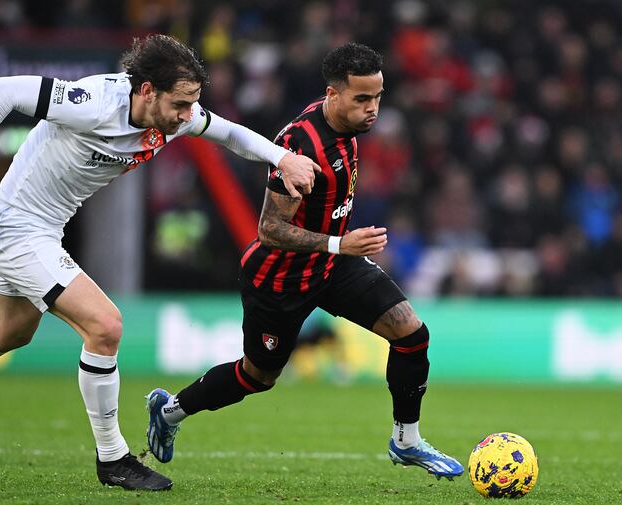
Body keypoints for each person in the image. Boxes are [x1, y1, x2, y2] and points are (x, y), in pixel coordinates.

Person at [0, 34, 320, 491]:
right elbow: (2, 91)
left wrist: (282, 157)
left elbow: (228, 132)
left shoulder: (172, 118)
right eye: (181, 104)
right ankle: (112, 459)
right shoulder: (94, 101)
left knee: (10, 330)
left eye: (193, 104)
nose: (189, 116)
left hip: (43, 230)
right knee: (105, 326)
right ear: (147, 90)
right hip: (15, 228)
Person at [146, 43, 464, 480]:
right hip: (280, 278)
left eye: (378, 98)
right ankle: (170, 412)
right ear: (333, 96)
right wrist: (339, 245)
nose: (373, 110)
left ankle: (406, 440)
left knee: (411, 332)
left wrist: (339, 251)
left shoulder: (348, 126)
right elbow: (270, 229)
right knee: (257, 376)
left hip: (333, 265)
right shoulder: (301, 143)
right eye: (362, 100)